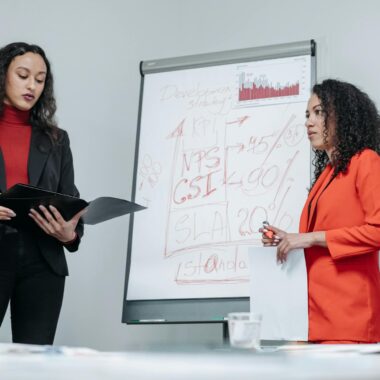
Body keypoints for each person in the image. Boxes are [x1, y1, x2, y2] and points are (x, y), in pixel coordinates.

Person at [261, 79, 380, 344]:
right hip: (314, 319)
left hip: (351, 319)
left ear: (344, 117)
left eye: (319, 112)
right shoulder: (326, 174)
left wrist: (310, 237)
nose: (309, 122)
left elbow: (378, 231)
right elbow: (319, 240)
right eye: (307, 114)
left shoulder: (367, 162)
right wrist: (288, 239)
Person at [0, 42, 85, 344]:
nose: (32, 85)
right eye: (23, 75)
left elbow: (70, 202)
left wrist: (69, 234)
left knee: (35, 363)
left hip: (42, 259)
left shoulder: (57, 140)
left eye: (40, 79)